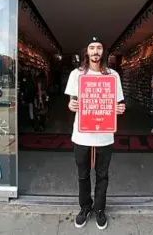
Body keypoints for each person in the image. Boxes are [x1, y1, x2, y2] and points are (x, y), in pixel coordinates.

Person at [64, 37, 126, 230]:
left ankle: (99, 209)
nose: (95, 51)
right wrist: (71, 105)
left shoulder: (112, 75)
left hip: (104, 135)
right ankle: (84, 207)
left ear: (103, 52)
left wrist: (119, 109)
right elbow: (72, 101)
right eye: (92, 48)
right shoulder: (77, 74)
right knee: (83, 174)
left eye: (99, 48)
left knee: (102, 174)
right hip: (82, 135)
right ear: (87, 52)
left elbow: (118, 103)